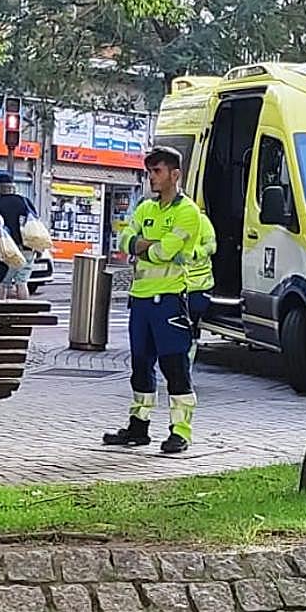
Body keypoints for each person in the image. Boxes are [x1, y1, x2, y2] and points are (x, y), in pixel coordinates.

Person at [103, 147, 201, 454]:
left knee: (175, 367)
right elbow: (124, 241)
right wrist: (142, 244)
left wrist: (142, 245)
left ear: (175, 174)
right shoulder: (146, 208)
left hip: (170, 300)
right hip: (140, 300)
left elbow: (165, 252)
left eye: (156, 172)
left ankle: (180, 432)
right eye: (149, 172)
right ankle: (138, 427)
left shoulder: (187, 212)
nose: (151, 178)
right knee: (140, 366)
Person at [0, 173, 37, 301]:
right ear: (13, 187)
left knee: (4, 282)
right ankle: (24, 314)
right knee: (22, 281)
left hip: (7, 249)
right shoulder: (24, 201)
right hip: (27, 247)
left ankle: (1, 312)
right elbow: (35, 222)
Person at [185, 209, 217, 366]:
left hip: (198, 285)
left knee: (191, 327)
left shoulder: (201, 220)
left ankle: (186, 366)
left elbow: (211, 246)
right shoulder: (170, 221)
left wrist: (195, 253)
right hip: (174, 285)